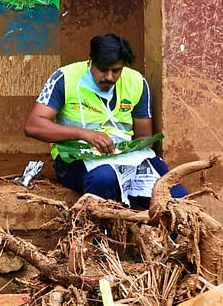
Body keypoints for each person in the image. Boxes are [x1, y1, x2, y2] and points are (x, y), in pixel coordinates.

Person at [24, 33, 187, 207]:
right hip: (75, 159)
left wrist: (125, 152)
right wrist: (84, 134)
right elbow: (33, 125)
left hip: (126, 159)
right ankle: (102, 233)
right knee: (105, 178)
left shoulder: (137, 82)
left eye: (116, 71)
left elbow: (144, 137)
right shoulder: (65, 78)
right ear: (90, 61)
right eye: (103, 69)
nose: (109, 77)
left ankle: (161, 234)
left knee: (177, 196)